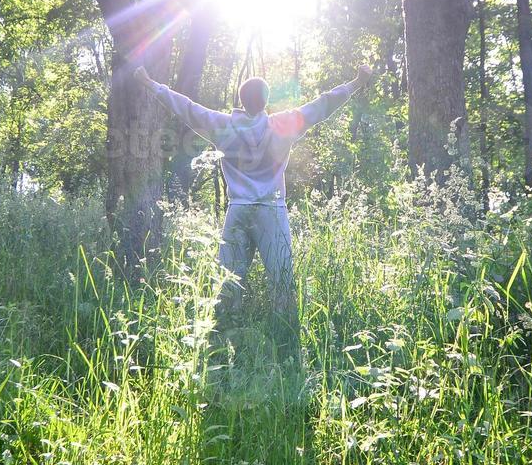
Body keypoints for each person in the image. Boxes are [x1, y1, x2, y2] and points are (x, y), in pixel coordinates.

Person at [134, 63, 373, 363]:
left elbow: (186, 107)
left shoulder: (223, 126)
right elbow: (322, 105)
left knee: (228, 282)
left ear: (241, 99)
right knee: (282, 281)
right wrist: (354, 82)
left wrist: (151, 83)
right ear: (266, 101)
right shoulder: (282, 125)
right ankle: (287, 350)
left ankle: (219, 352)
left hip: (238, 211)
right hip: (272, 212)